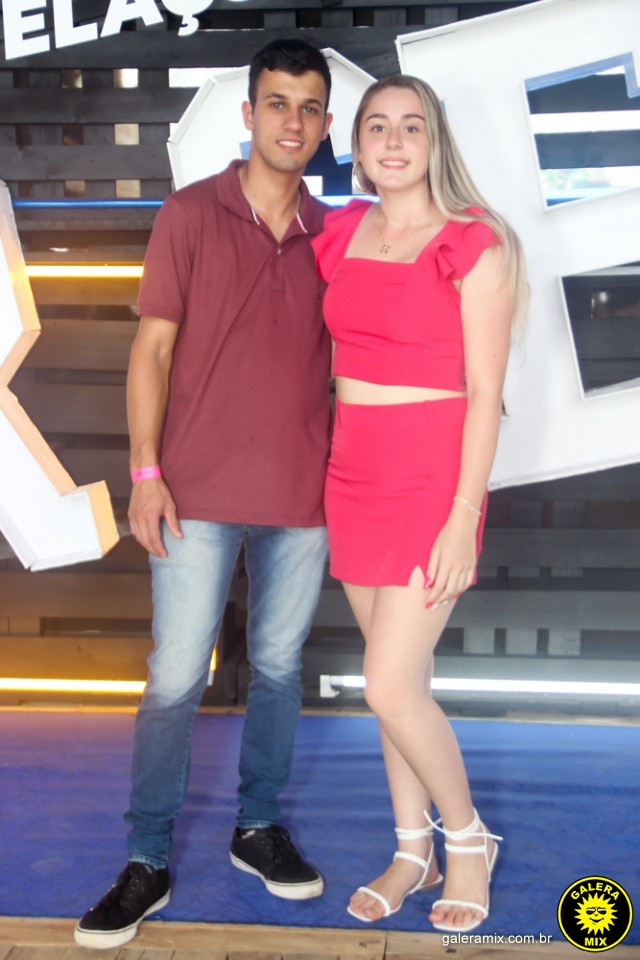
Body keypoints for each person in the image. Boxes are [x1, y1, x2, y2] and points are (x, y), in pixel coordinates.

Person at [75, 39, 334, 950]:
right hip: (194, 494)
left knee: (277, 671)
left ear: (325, 124)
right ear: (249, 114)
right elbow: (150, 351)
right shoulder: (188, 214)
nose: (292, 122)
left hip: (302, 497)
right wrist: (145, 473)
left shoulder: (337, 234)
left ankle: (256, 829)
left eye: (309, 107)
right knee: (176, 678)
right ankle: (146, 859)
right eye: (278, 103)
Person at [312, 75, 527, 933]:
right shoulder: (339, 233)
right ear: (358, 145)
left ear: (434, 141)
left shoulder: (476, 244)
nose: (394, 142)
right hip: (351, 470)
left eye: (411, 127)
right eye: (378, 127)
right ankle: (412, 849)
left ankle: (468, 839)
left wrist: (463, 517)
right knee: (395, 682)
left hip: (431, 477)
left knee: (388, 685)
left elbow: (487, 393)